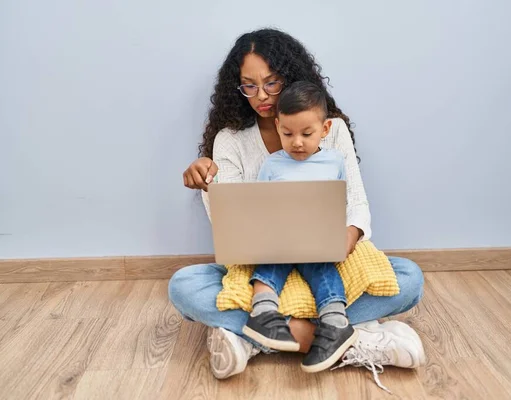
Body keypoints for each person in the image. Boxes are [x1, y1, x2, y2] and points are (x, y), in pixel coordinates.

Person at [169, 28, 426, 383]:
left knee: (409, 278)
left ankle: (258, 339)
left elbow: (356, 202)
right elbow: (229, 227)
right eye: (249, 85)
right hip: (264, 271)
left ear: (290, 77)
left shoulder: (330, 130)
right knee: (183, 285)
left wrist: (345, 239)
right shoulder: (230, 140)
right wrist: (209, 185)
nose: (261, 96)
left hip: (325, 263)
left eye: (272, 83)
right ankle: (334, 339)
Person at [243, 81, 357, 373]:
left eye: (307, 134)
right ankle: (265, 316)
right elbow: (259, 205)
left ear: (325, 129)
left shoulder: (334, 160)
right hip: (280, 240)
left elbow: (343, 201)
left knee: (322, 269)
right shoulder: (272, 164)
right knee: (270, 263)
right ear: (278, 124)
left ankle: (335, 324)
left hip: (317, 241)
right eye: (287, 133)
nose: (297, 142)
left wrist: (342, 234)